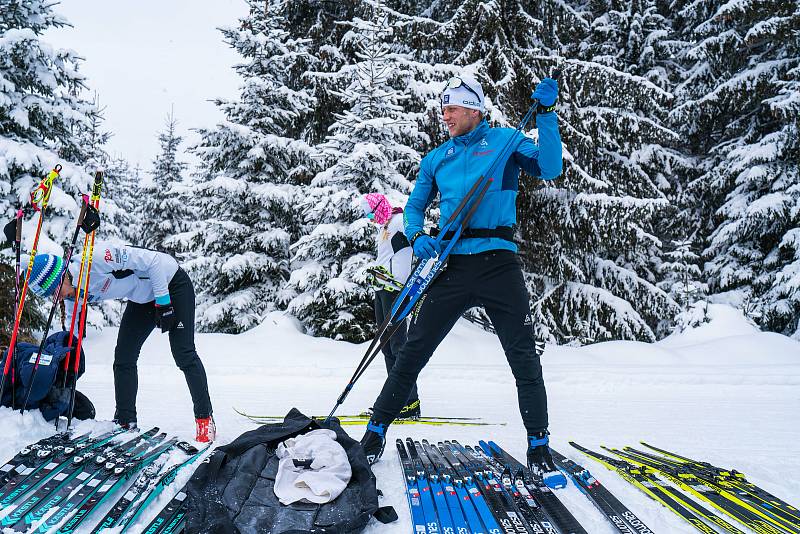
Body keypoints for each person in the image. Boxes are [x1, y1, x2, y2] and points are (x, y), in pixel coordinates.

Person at [359, 73, 567, 488]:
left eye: (451, 109)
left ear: (475, 110)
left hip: (498, 262)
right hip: (452, 263)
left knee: (523, 355)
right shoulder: (437, 158)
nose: (445, 116)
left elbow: (550, 167)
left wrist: (546, 114)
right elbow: (416, 205)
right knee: (413, 351)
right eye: (443, 109)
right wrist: (417, 236)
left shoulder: (507, 141)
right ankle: (376, 432)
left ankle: (539, 446)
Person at [25, 244, 215, 442]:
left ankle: (204, 419)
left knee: (183, 354)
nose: (58, 297)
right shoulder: (73, 292)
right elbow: (75, 323)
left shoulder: (97, 257)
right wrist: (71, 346)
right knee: (124, 357)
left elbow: (154, 261)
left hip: (171, 285)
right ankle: (126, 422)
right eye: (51, 296)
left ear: (61, 275)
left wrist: (163, 302)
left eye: (55, 290)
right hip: (143, 300)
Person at [359, 192, 420, 419]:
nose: (370, 217)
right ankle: (394, 400)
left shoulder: (398, 221)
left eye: (370, 212)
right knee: (386, 347)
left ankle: (410, 402)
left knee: (398, 346)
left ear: (379, 207)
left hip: (396, 290)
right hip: (382, 289)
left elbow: (419, 233)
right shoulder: (383, 226)